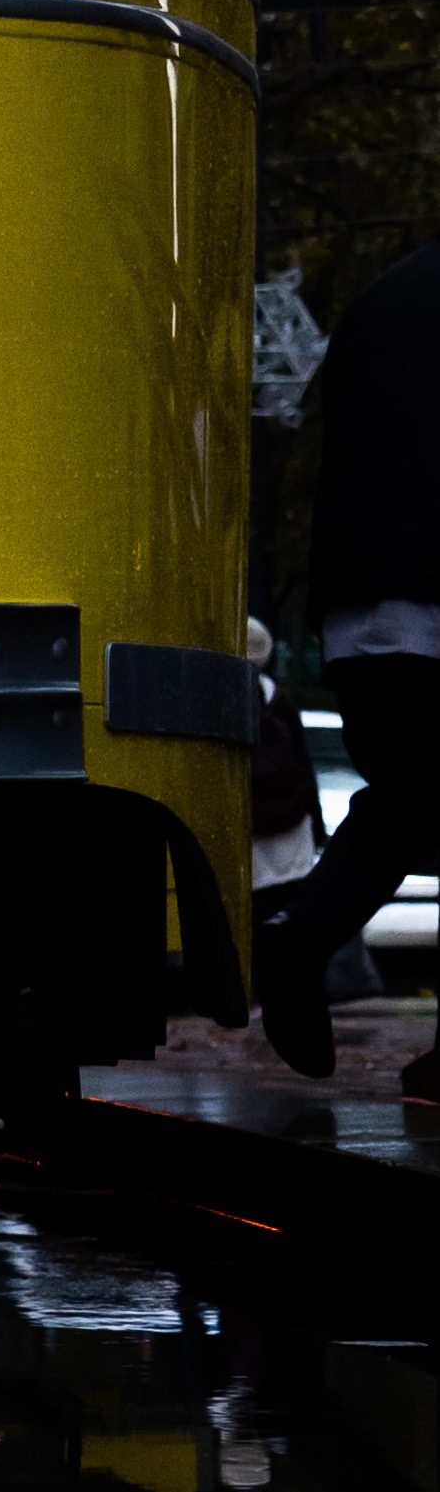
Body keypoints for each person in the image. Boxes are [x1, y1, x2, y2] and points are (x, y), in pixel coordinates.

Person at [251, 227, 440, 1105]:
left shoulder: (378, 300)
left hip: (360, 605)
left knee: (413, 792)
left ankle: (305, 929)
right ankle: (303, 931)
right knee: (416, 798)